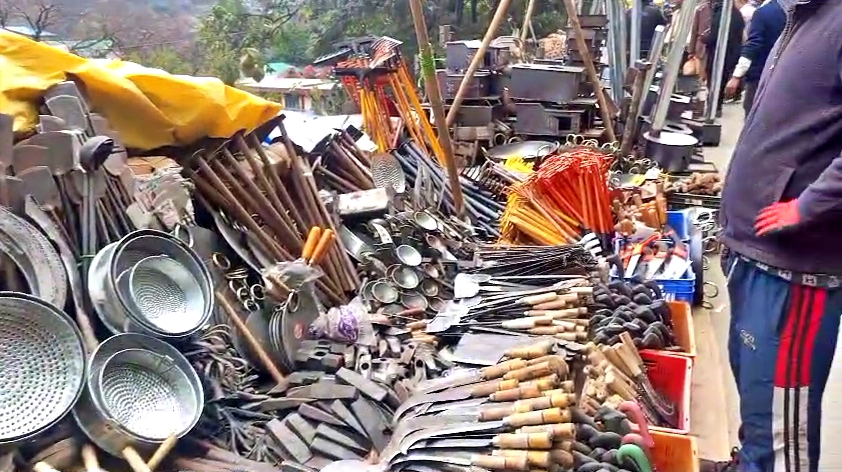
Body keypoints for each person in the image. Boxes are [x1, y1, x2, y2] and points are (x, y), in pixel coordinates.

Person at [716, 0, 842, 470]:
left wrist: (807, 205)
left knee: (782, 432)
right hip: (756, 253)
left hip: (796, 273)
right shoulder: (802, 16)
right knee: (759, 401)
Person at [724, 0, 785, 115]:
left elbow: (753, 45)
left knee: (752, 113)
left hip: (760, 75)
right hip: (785, 75)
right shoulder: (799, 11)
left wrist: (736, 76)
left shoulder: (763, 13)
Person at [703, 0, 745, 116]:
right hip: (732, 54)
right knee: (722, 79)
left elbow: (714, 36)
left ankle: (713, 107)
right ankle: (717, 106)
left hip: (717, 53)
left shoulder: (720, 14)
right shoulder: (737, 15)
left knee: (714, 80)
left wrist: (705, 39)